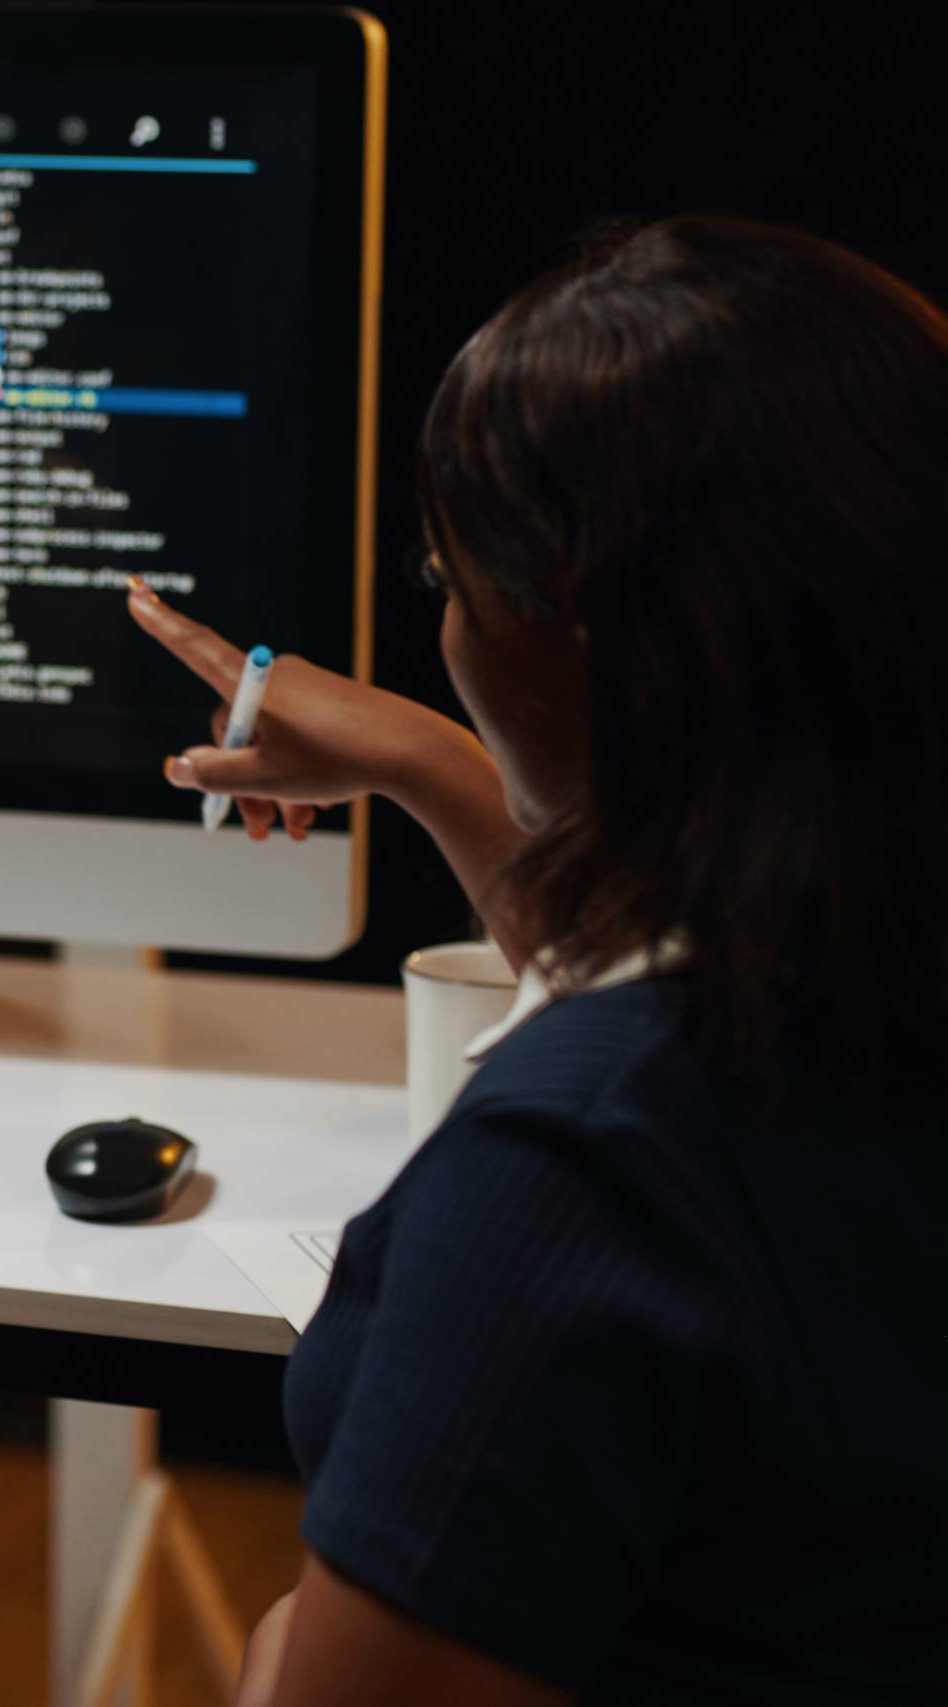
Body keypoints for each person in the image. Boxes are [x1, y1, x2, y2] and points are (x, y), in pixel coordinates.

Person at [129, 217, 948, 1703]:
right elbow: (666, 955)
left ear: (580, 635)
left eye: (452, 579)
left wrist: (275, 1652)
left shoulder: (576, 1160)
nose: (442, 625)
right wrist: (439, 762)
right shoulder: (858, 952)